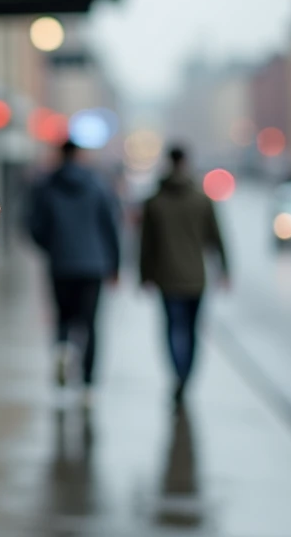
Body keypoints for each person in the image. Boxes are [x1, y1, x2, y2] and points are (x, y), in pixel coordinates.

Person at [28, 140, 120, 400]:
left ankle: (62, 352)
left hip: (61, 262)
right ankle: (88, 384)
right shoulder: (97, 184)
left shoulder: (46, 185)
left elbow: (33, 224)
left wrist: (52, 247)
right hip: (94, 264)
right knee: (90, 324)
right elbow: (110, 225)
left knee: (63, 318)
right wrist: (115, 264)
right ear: (79, 155)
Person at [139, 146, 229, 408]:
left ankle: (177, 375)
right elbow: (217, 237)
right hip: (195, 278)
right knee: (191, 330)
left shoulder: (155, 201)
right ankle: (186, 377)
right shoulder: (201, 199)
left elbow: (145, 244)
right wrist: (224, 270)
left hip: (166, 278)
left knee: (172, 329)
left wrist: (144, 275)